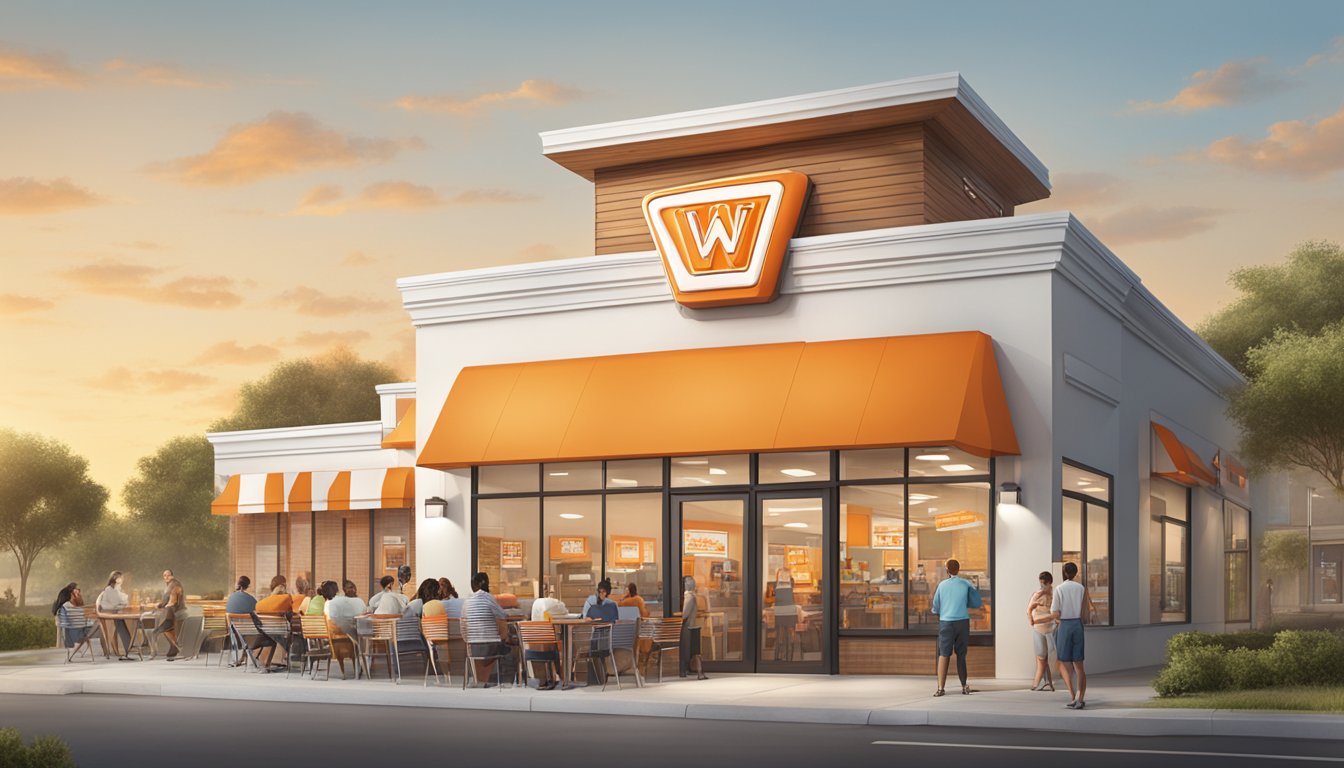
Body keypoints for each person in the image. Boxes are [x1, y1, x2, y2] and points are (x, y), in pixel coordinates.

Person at [931, 558, 982, 696]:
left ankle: (941, 688)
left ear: (947, 570)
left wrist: (938, 611)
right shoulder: (966, 584)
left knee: (943, 654)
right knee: (961, 655)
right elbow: (977, 602)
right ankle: (964, 686)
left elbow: (935, 606)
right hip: (962, 622)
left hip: (946, 623)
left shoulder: (942, 585)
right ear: (958, 569)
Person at [1051, 561, 1096, 710]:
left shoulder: (1059, 588)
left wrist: (1058, 618)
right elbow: (1086, 611)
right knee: (1079, 665)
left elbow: (1055, 613)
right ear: (1076, 573)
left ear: (1064, 573)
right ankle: (1080, 698)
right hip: (1078, 625)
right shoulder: (1081, 588)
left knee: (1065, 663)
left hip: (1065, 625)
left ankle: (1072, 695)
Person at [462, 571, 515, 686]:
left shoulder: (467, 601)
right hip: (489, 645)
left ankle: (482, 681)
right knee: (511, 652)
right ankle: (507, 683)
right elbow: (502, 616)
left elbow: (463, 622)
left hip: (472, 646)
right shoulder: (488, 598)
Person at [1027, 571, 1056, 692]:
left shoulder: (1054, 595)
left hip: (1051, 628)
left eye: (1044, 584)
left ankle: (1041, 683)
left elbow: (1055, 613)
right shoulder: (1037, 594)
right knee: (1041, 656)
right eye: (1041, 583)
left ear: (1050, 583)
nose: (1042, 586)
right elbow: (1029, 610)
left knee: (1046, 657)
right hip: (1039, 628)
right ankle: (1041, 683)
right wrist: (1032, 621)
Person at [96, 571, 133, 659]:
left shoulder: (117, 589)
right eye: (121, 578)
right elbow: (114, 603)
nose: (123, 579)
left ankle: (128, 649)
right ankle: (123, 651)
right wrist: (122, 602)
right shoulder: (109, 589)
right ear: (116, 579)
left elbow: (123, 602)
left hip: (113, 613)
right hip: (106, 614)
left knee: (121, 623)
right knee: (117, 626)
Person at [153, 570, 187, 660]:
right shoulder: (173, 583)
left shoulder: (173, 584)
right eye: (164, 575)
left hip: (174, 612)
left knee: (162, 629)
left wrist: (159, 605)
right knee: (168, 630)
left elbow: (166, 599)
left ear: (172, 576)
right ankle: (174, 647)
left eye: (168, 575)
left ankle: (175, 647)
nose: (166, 577)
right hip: (175, 612)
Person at [225, 576, 258, 666]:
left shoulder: (231, 597)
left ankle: (241, 657)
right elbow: (258, 610)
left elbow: (227, 611)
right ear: (248, 586)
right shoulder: (251, 599)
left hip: (233, 632)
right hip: (248, 632)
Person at [680, 576, 708, 680]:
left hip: (688, 627)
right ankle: (700, 672)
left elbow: (685, 614)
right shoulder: (694, 596)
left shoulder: (689, 597)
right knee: (696, 651)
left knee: (688, 651)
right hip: (694, 625)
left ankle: (687, 671)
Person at [53, 583, 93, 648]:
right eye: (77, 590)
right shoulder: (68, 604)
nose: (79, 592)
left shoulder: (64, 605)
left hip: (65, 625)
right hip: (73, 630)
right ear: (72, 592)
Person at [772, 569, 798, 662]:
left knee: (779, 635)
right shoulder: (791, 582)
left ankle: (777, 657)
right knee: (789, 636)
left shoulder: (775, 584)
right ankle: (789, 658)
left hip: (779, 612)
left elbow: (775, 594)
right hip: (789, 612)